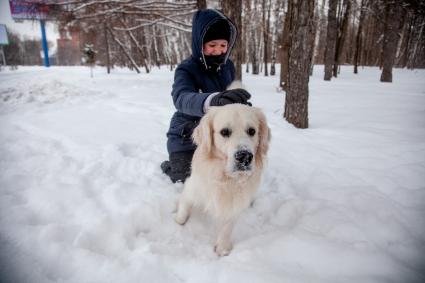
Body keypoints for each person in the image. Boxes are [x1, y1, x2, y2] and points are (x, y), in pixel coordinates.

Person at [161, 9, 252, 183]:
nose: (218, 51)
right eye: (212, 45)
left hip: (217, 136)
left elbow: (230, 97)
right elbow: (181, 98)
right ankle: (170, 166)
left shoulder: (228, 66)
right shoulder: (186, 69)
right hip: (186, 135)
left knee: (227, 174)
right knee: (186, 179)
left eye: (223, 45)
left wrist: (240, 104)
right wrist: (213, 100)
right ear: (200, 43)